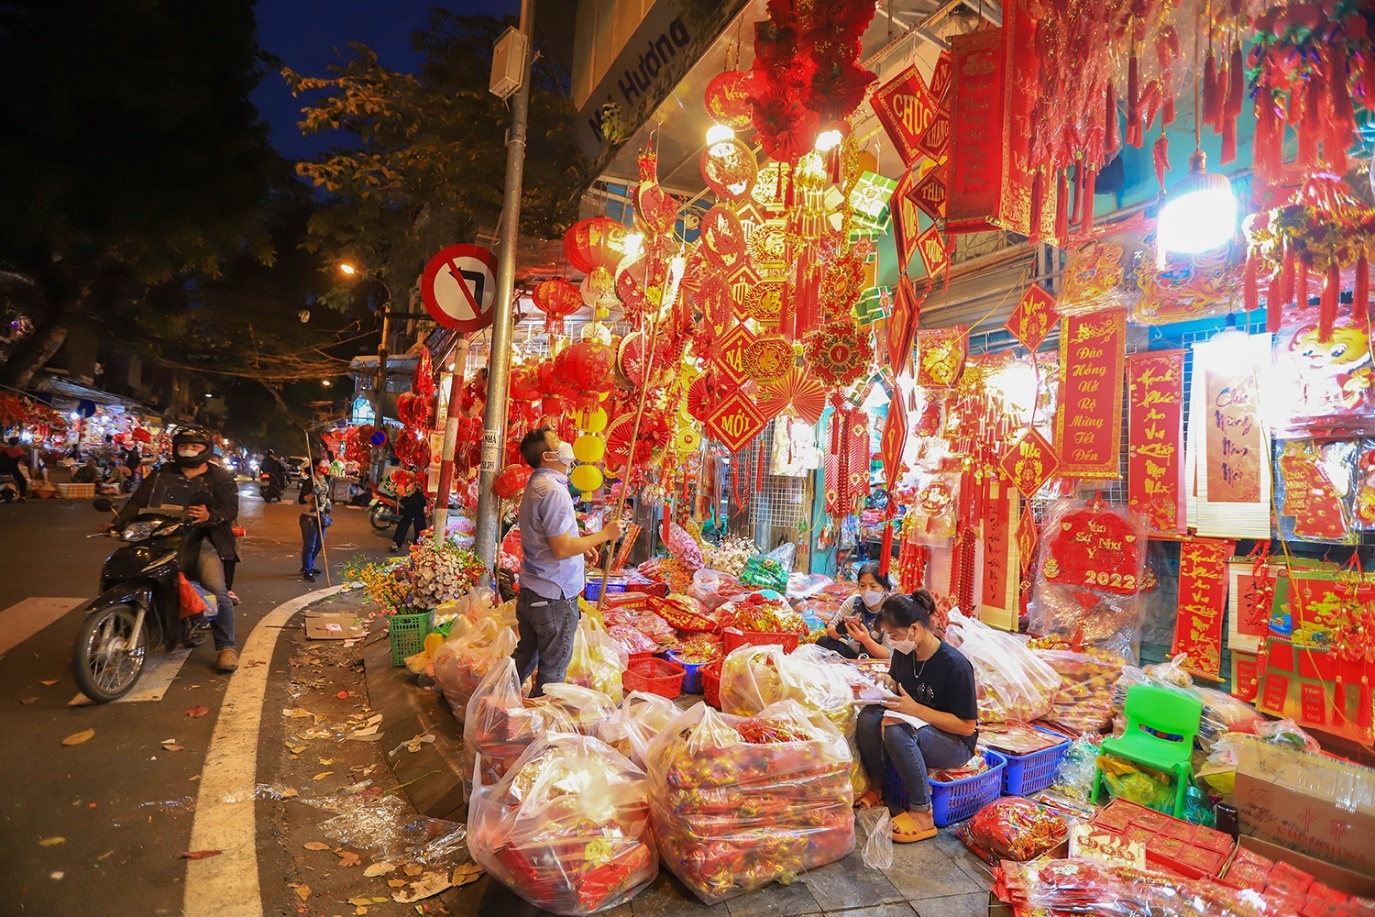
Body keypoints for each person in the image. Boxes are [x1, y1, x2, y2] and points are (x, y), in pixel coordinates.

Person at [106, 425, 241, 672]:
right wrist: (117, 522)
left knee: (216, 589)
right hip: (161, 536)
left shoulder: (221, 478)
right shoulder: (160, 474)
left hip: (202, 539)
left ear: (206, 449)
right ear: (175, 449)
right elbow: (137, 502)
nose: (188, 451)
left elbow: (230, 510)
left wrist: (210, 515)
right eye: (183, 446)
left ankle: (226, 646)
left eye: (195, 446)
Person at [855, 590, 979, 843]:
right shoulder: (904, 652)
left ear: (914, 629)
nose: (893, 641)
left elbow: (967, 727)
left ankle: (923, 813)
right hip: (915, 721)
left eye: (895, 635)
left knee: (896, 730)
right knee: (868, 717)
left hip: (954, 741)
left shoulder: (955, 666)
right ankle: (877, 788)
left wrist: (916, 711)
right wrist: (879, 686)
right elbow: (896, 681)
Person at [513, 426, 622, 696]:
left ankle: (494, 705)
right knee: (553, 672)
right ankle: (540, 729)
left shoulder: (538, 485)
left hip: (534, 591)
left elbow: (554, 539)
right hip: (553, 596)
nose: (565, 444)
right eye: (558, 441)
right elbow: (561, 549)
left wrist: (581, 543)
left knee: (524, 657)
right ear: (549, 456)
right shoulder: (553, 491)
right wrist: (604, 535)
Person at [816, 562, 892, 659]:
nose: (867, 591)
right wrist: (840, 629)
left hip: (878, 660)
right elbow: (831, 630)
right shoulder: (853, 602)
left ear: (885, 588)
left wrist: (865, 640)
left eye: (873, 586)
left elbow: (888, 654)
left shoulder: (892, 609)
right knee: (823, 642)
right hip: (853, 654)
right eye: (863, 585)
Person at [299, 473, 331, 581]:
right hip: (309, 516)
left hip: (321, 516)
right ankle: (307, 571)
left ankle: (309, 565)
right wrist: (313, 493)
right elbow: (301, 500)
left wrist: (328, 504)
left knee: (318, 544)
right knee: (310, 545)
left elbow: (327, 495)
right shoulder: (309, 481)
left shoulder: (325, 479)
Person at [391, 480, 427, 552]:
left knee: (404, 523)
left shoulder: (406, 480)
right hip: (418, 505)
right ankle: (417, 544)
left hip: (408, 504)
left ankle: (396, 542)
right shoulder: (416, 479)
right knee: (419, 524)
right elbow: (419, 493)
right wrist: (424, 504)